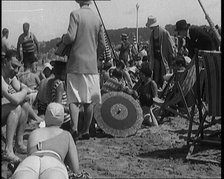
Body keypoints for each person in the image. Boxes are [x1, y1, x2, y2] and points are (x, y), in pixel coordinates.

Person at [62, 0, 106, 141]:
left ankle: (74, 128)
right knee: (89, 101)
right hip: (91, 65)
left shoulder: (75, 14)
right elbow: (102, 45)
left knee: (74, 98)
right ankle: (86, 130)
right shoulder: (97, 18)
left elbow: (70, 36)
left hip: (75, 63)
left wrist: (63, 38)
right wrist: (96, 57)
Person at [12, 102, 91, 179]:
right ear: (62, 119)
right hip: (53, 162)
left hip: (31, 161)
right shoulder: (66, 135)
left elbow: (29, 155)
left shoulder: (34, 133)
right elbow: (75, 169)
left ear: (46, 117)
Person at [2, 50, 35, 162]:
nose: (16, 71)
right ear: (5, 62)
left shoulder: (10, 75)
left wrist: (24, 91)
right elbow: (17, 98)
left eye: (18, 67)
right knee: (16, 107)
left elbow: (20, 91)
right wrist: (25, 91)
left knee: (24, 105)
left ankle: (19, 144)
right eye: (13, 66)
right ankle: (8, 150)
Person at [146, 15, 177, 89]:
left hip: (164, 58)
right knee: (155, 76)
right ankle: (156, 91)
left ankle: (164, 91)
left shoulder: (164, 32)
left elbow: (171, 46)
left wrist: (173, 57)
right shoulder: (152, 34)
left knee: (164, 76)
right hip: (155, 58)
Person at [137, 62, 159, 126]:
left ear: (145, 75)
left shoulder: (152, 83)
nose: (140, 76)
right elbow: (134, 90)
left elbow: (155, 97)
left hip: (150, 105)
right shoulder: (142, 83)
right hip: (144, 105)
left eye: (141, 74)